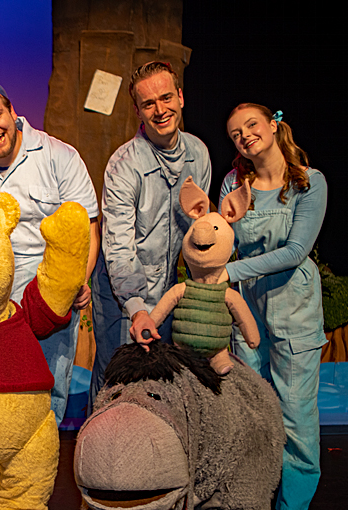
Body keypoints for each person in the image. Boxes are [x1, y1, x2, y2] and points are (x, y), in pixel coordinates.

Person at [0, 78, 100, 427]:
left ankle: (43, 450)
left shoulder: (59, 155)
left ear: (12, 111)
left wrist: (78, 281)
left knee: (46, 384)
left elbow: (87, 228)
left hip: (48, 283)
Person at [220, 104, 328, 510]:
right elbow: (223, 237)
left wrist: (229, 271)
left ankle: (294, 502)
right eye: (235, 133)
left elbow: (295, 251)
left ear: (272, 125)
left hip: (293, 305)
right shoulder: (234, 183)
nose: (245, 135)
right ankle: (255, 492)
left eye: (251, 125)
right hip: (248, 309)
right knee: (251, 406)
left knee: (295, 409)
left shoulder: (308, 182)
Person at [89, 61, 212, 404]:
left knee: (160, 379)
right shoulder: (123, 165)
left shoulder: (199, 154)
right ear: (138, 111)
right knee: (116, 380)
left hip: (168, 287)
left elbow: (198, 229)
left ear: (180, 97)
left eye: (166, 98)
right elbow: (118, 247)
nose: (160, 110)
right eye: (148, 103)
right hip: (120, 291)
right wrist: (136, 307)